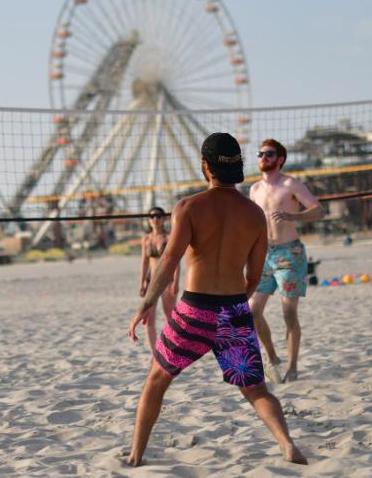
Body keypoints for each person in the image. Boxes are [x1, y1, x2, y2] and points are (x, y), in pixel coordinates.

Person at [126, 133, 307, 467]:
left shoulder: (188, 208)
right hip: (234, 311)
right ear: (237, 166)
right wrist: (236, 304)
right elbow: (254, 276)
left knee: (157, 380)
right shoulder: (254, 214)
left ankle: (136, 455)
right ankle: (287, 443)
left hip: (194, 310)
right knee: (255, 389)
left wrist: (145, 304)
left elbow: (167, 264)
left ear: (205, 166)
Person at [248, 139, 324, 383]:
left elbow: (318, 210)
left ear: (280, 159)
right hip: (264, 255)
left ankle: (292, 367)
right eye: (260, 154)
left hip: (289, 254)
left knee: (288, 313)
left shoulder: (290, 183)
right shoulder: (254, 189)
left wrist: (294, 215)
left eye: (269, 154)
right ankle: (272, 357)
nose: (263, 157)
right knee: (252, 311)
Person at [136, 206, 179, 355]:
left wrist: (176, 281)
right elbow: (144, 262)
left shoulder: (169, 236)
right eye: (152, 217)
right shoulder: (146, 238)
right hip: (151, 282)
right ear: (149, 220)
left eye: (158, 216)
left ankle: (172, 351)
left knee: (170, 318)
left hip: (167, 280)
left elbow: (176, 260)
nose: (155, 219)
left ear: (163, 219)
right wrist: (141, 283)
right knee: (148, 319)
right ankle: (155, 354)